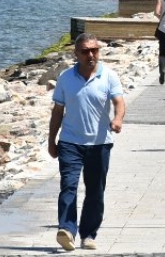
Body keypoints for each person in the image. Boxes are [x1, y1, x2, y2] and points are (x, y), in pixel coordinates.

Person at [48, 33, 126, 251]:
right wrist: (51, 141)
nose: (91, 55)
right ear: (76, 54)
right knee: (68, 186)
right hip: (70, 142)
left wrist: (117, 119)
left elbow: (119, 102)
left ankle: (88, 234)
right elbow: (57, 112)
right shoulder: (65, 78)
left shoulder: (108, 76)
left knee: (95, 191)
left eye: (95, 50)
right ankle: (67, 230)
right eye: (85, 51)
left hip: (99, 143)